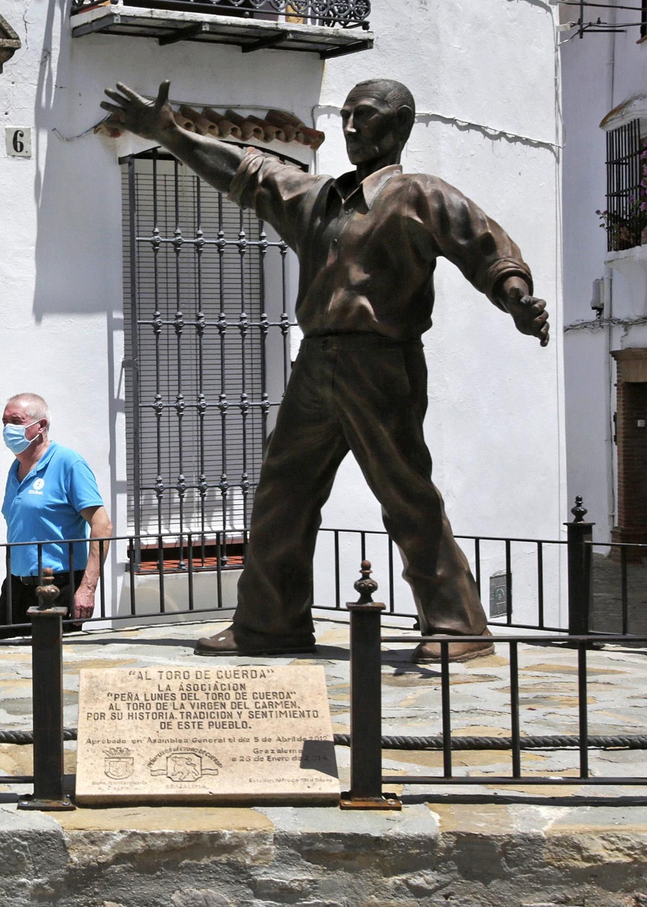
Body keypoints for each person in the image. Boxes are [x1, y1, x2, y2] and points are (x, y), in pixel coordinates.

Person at [101, 78, 549, 664]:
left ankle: (456, 627)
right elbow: (245, 172)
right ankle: (269, 623)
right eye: (347, 115)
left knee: (405, 493)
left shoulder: (419, 194)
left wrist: (514, 295)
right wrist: (169, 134)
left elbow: (484, 245)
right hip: (316, 362)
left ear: (401, 126)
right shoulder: (318, 198)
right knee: (282, 492)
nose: (351, 126)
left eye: (366, 116)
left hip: (381, 362)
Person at [0, 392, 113, 639]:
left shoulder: (68, 463)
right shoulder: (15, 468)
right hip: (17, 585)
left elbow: (102, 525)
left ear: (41, 426)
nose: (8, 429)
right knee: (5, 664)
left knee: (52, 669)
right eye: (5, 423)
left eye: (16, 422)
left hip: (57, 588)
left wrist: (87, 588)